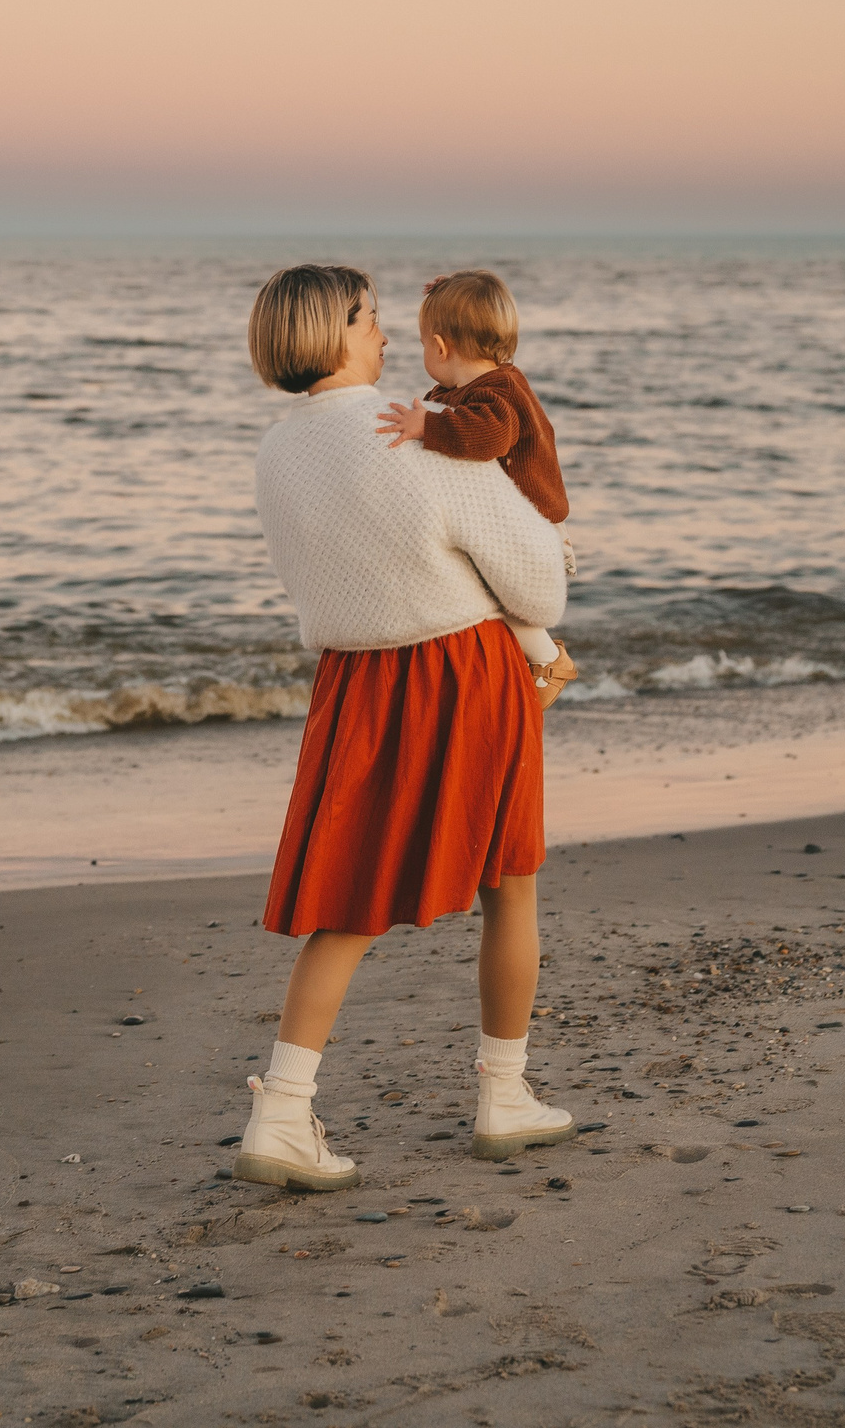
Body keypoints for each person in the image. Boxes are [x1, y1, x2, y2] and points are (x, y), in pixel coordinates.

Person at [233, 264, 577, 1193]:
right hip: (462, 673)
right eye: (373, 319)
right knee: (510, 886)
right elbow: (537, 583)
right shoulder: (411, 431)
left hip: (352, 683)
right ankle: (503, 1097)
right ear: (338, 333)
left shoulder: (275, 453)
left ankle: (280, 1112)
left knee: (346, 904)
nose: (388, 336)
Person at [373, 269, 578, 705]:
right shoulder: (481, 385)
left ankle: (548, 662)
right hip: (530, 520)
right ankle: (532, 658)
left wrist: (427, 425)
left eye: (423, 343)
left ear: (441, 346)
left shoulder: (496, 392)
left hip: (529, 524)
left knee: (499, 592)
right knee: (494, 590)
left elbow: (488, 437)